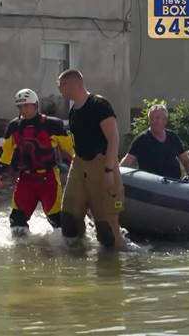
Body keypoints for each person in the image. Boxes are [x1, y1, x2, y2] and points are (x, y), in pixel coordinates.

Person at [0, 88, 75, 237]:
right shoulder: (13, 127)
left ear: (35, 105)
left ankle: (67, 247)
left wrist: (83, 167)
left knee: (56, 220)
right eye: (20, 106)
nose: (23, 109)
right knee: (16, 220)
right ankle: (22, 254)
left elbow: (71, 148)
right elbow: (7, 153)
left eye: (26, 105)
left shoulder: (53, 124)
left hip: (48, 178)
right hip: (25, 179)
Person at [57, 69, 124, 249]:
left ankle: (114, 267)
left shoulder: (99, 105)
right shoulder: (73, 111)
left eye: (61, 85)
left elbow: (113, 138)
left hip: (102, 164)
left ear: (72, 84)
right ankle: (75, 267)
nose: (59, 89)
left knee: (106, 232)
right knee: (69, 220)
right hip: (79, 164)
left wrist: (109, 170)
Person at [120, 104, 189, 178]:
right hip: (151, 184)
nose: (154, 120)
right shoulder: (141, 140)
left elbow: (186, 161)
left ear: (165, 120)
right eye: (151, 118)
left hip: (174, 183)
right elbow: (126, 162)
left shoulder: (173, 137)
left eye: (157, 118)